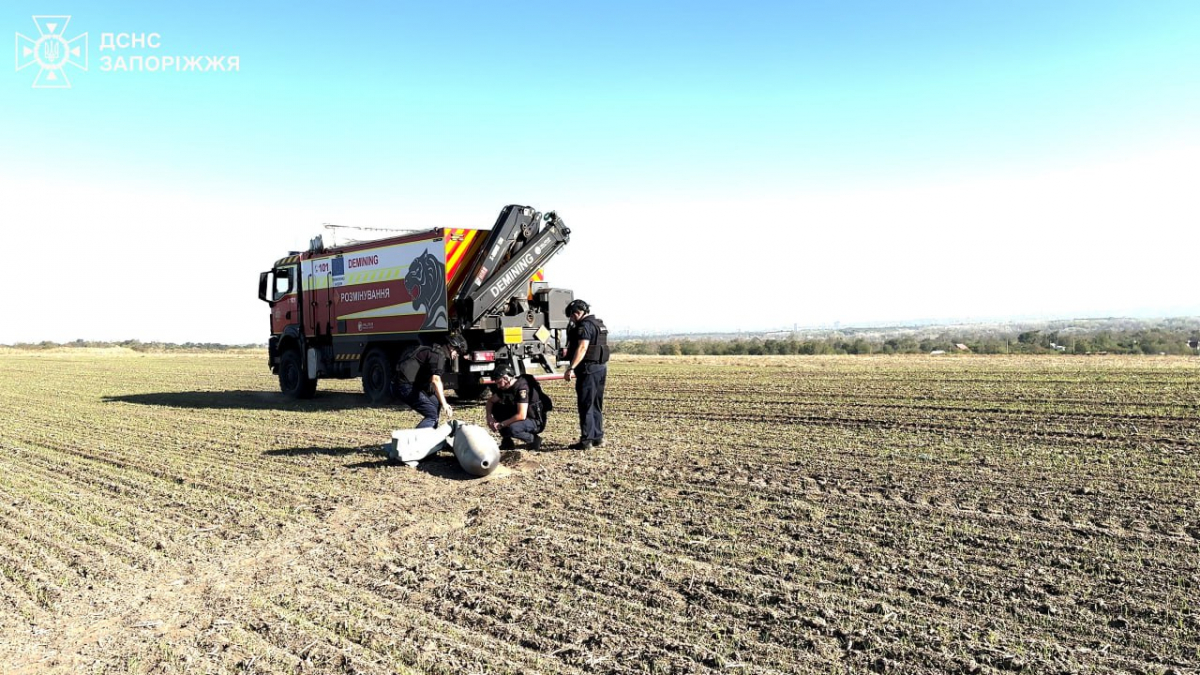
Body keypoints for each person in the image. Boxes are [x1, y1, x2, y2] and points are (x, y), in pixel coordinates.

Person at [562, 299, 609, 450]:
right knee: (596, 404)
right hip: (600, 368)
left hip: (588, 369)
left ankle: (587, 440)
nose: (571, 319)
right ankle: (597, 437)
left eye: (571, 315)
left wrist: (571, 367)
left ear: (577, 313)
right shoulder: (598, 323)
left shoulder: (585, 326)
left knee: (586, 405)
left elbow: (582, 347)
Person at [394, 336, 465, 429]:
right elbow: (436, 380)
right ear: (451, 347)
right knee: (432, 415)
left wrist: (441, 401)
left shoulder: (436, 352)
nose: (458, 355)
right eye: (458, 351)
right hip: (403, 386)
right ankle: (416, 441)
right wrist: (445, 404)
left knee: (436, 403)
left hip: (410, 384)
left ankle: (430, 434)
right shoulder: (438, 355)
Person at [485, 365, 546, 451]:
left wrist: (501, 424)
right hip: (522, 416)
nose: (498, 386)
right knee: (497, 408)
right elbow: (490, 401)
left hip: (534, 421)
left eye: (499, 382)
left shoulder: (522, 389)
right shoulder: (505, 387)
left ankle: (533, 440)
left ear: (506, 378)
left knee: (513, 429)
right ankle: (507, 442)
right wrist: (489, 417)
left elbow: (521, 415)